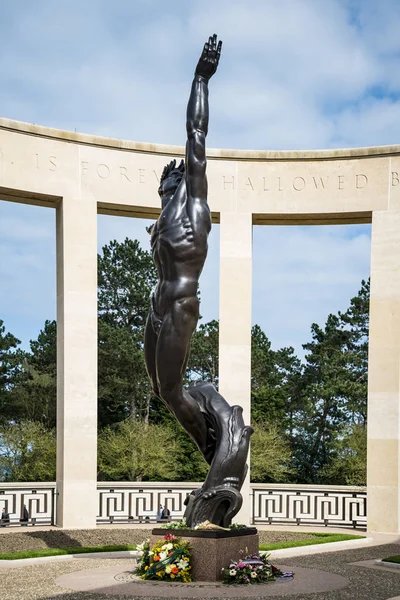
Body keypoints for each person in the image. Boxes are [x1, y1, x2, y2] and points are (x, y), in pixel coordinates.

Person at [144, 35, 222, 462]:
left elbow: (196, 133)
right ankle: (207, 414)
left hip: (179, 304)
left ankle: (212, 451)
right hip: (158, 304)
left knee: (172, 389)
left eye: (163, 186)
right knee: (159, 388)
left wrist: (201, 79)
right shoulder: (164, 220)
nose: (160, 194)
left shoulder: (194, 203)